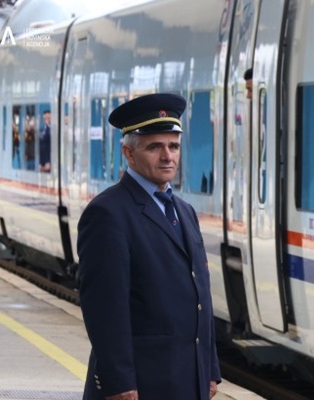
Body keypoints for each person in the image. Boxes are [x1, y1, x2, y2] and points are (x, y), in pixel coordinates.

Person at [77, 93, 221, 400]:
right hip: (141, 385)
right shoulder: (108, 213)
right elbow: (105, 308)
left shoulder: (184, 211)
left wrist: (210, 369)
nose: (167, 156)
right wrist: (119, 382)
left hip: (187, 381)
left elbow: (201, 295)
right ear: (129, 154)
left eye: (174, 146)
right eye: (155, 147)